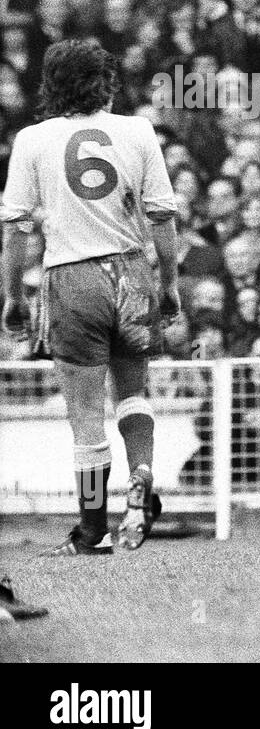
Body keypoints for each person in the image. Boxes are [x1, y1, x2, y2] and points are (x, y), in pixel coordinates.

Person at [0, 39, 179, 555]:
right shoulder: (138, 129)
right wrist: (167, 284)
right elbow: (162, 218)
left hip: (71, 277)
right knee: (133, 389)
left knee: (84, 414)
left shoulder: (32, 140)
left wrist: (12, 295)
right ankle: (141, 475)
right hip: (130, 272)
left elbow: (15, 230)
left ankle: (91, 527)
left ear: (51, 85)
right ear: (107, 84)